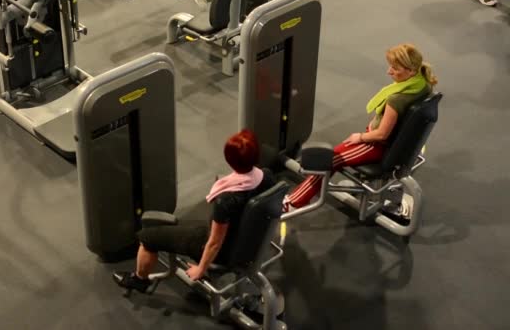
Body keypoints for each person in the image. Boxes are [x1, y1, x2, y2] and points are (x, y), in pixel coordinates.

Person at [282, 43, 438, 216]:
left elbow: (382, 134)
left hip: (374, 145)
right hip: (384, 142)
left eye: (395, 68)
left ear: (410, 71)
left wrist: (360, 137)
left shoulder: (397, 99)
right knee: (332, 157)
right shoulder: (422, 84)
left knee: (330, 161)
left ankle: (293, 202)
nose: (389, 72)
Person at [113, 129, 276, 293]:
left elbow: (214, 243)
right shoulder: (267, 177)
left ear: (230, 160)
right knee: (182, 228)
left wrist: (201, 269)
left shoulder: (226, 201)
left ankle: (139, 280)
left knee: (147, 237)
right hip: (248, 241)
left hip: (221, 249)